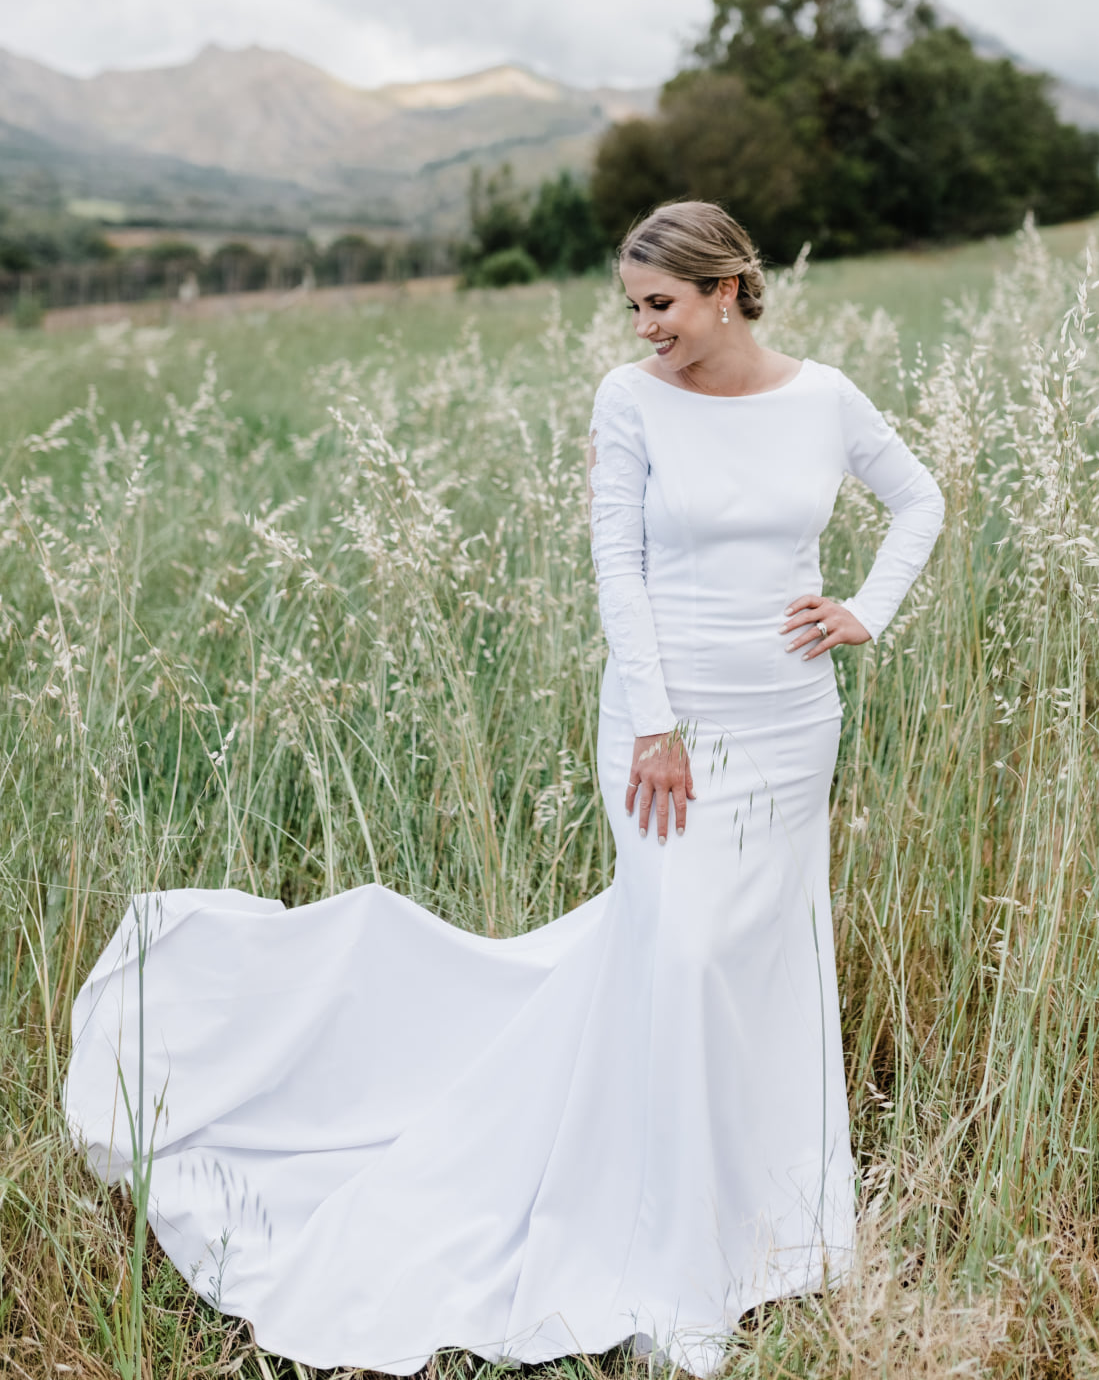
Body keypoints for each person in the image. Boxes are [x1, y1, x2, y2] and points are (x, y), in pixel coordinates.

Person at [65, 200, 944, 1376]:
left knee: (765, 957)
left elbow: (919, 498)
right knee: (683, 953)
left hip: (790, 723)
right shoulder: (629, 401)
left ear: (726, 288)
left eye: (660, 303)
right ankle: (674, 1264)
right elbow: (616, 568)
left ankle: (776, 1225)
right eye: (631, 305)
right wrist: (655, 722)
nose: (642, 325)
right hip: (663, 728)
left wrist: (864, 609)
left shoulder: (822, 397)